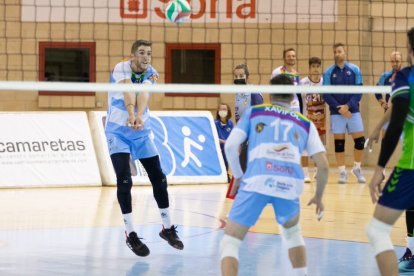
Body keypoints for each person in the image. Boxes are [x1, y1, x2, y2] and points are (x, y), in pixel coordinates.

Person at [220, 74, 329, 276]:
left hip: (255, 182)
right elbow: (323, 166)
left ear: (270, 93)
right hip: (289, 185)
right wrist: (319, 197)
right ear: (293, 97)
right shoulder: (305, 123)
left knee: (231, 241)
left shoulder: (254, 113)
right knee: (294, 235)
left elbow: (231, 147)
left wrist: (238, 176)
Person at [105, 39, 184, 257]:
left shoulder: (152, 73)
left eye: (149, 53)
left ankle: (167, 229)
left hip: (141, 132)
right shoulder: (121, 68)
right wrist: (131, 115)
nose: (146, 57)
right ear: (132, 56)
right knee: (124, 179)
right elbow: (129, 92)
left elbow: (143, 95)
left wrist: (139, 117)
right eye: (141, 52)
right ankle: (130, 233)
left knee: (159, 177)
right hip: (118, 131)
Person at [366, 27, 414, 276]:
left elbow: (396, 123)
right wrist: (377, 128)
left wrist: (379, 168)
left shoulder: (406, 77)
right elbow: (396, 110)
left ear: (409, 49)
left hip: (411, 166)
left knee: (376, 230)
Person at [323, 43, 366, 184]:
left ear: (345, 52)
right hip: (336, 113)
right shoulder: (329, 72)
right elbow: (326, 95)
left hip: (353, 111)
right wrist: (339, 108)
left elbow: (359, 91)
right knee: (339, 143)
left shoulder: (355, 69)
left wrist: (348, 106)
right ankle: (342, 172)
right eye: (335, 52)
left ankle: (357, 168)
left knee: (360, 142)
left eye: (339, 51)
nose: (337, 54)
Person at [374, 51, 403, 178]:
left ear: (401, 61)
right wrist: (382, 102)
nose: (394, 63)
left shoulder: (407, 75)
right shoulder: (385, 77)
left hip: (405, 114)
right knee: (385, 141)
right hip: (389, 113)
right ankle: (381, 169)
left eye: (397, 61)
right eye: (392, 61)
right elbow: (376, 90)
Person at [234, 64, 264, 173]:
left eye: (241, 75)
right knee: (242, 164)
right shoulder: (238, 94)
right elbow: (239, 116)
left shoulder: (254, 92)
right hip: (243, 135)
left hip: (253, 134)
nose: (238, 79)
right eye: (236, 76)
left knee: (249, 164)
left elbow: (261, 114)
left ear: (247, 76)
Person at [300, 56, 325, 182]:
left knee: (319, 147)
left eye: (317, 67)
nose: (315, 69)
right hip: (306, 120)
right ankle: (305, 174)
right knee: (304, 148)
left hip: (321, 121)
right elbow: (298, 101)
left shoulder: (324, 82)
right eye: (313, 67)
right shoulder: (302, 82)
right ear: (309, 68)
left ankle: (317, 171)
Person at [271, 48, 303, 113]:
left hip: (295, 108)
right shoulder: (277, 72)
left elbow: (298, 94)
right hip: (282, 106)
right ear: (284, 58)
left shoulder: (296, 74)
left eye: (293, 56)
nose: (291, 58)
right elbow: (272, 91)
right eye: (289, 56)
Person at [215, 103, 234, 183]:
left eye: (224, 109)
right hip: (218, 149)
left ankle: (227, 174)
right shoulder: (215, 123)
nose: (222, 111)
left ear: (228, 111)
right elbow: (214, 137)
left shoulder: (230, 123)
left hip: (227, 149)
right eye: (221, 109)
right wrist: (224, 141)